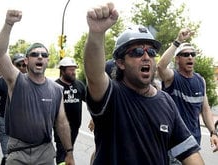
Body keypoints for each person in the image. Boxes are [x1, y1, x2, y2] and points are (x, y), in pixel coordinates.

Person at [84, 2, 204, 164]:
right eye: (137, 52)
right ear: (120, 62)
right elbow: (94, 75)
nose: (146, 56)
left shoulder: (166, 102)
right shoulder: (111, 95)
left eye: (151, 52)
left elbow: (189, 152)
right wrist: (96, 34)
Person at [0, 9, 74, 165]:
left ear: (47, 61)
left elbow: (62, 123)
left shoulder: (57, 89)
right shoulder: (16, 80)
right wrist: (8, 24)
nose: (40, 57)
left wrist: (69, 153)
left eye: (44, 55)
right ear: (26, 60)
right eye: (35, 54)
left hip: (44, 152)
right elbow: (0, 53)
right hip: (18, 153)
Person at [157, 28, 218, 155]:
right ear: (177, 59)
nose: (190, 57)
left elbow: (205, 109)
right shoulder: (172, 78)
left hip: (193, 142)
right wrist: (178, 41)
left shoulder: (201, 80)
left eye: (192, 54)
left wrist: (213, 132)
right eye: (185, 55)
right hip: (172, 142)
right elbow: (160, 66)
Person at [54, 57, 86, 164]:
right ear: (62, 71)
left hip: (75, 127)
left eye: (75, 69)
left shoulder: (80, 85)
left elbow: (91, 102)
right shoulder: (55, 86)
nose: (74, 72)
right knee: (62, 153)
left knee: (69, 151)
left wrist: (93, 119)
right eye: (70, 70)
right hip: (61, 128)